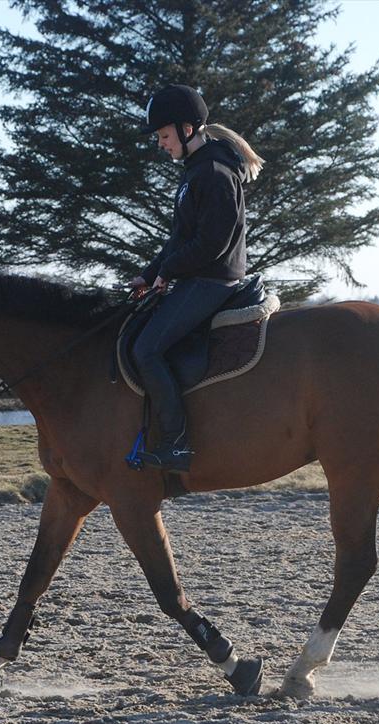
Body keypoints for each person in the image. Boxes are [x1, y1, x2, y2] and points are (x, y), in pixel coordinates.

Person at [129, 84, 264, 472]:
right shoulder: (196, 172)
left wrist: (168, 271)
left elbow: (212, 245)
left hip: (213, 281)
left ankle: (175, 443)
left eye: (164, 135)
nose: (161, 144)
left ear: (187, 129)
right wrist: (149, 274)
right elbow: (180, 239)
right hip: (198, 279)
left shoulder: (216, 173)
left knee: (146, 351)